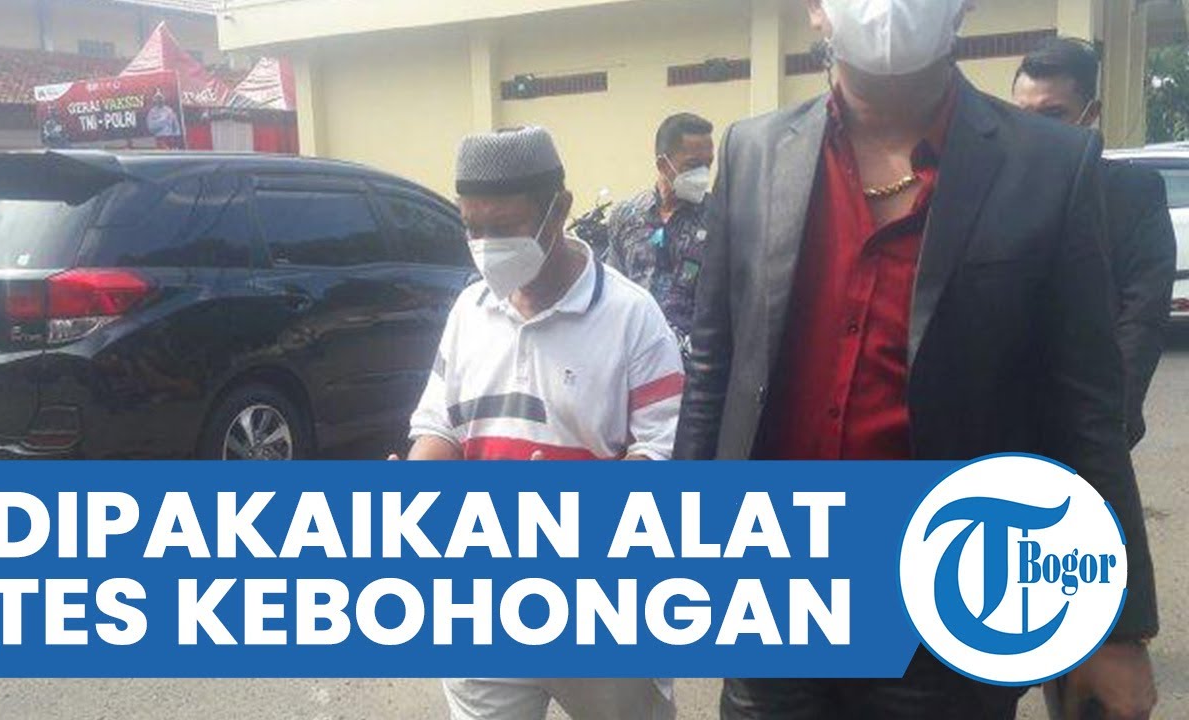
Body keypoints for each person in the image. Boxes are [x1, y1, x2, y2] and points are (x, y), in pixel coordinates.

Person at [674, 1, 1158, 718]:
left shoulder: (1049, 163)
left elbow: (1085, 404)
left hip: (953, 586)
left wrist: (1117, 624)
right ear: (816, 11)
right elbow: (717, 364)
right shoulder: (754, 152)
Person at [403, 126, 681, 720]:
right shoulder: (468, 312)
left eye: (504, 227)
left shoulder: (633, 318)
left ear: (560, 210)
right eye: (472, 228)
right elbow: (441, 426)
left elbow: (663, 456)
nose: (485, 246)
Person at [1013, 37, 1176, 449]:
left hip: (1090, 417)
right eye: (1022, 115)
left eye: (1053, 114)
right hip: (999, 417)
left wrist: (1111, 416)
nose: (1035, 131)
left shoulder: (1133, 194)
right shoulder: (991, 191)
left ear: (1091, 114)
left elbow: (1142, 315)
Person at [607, 113, 715, 351]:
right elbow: (612, 292)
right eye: (692, 165)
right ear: (663, 165)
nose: (703, 175)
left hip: (696, 359)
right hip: (636, 354)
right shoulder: (627, 217)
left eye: (708, 164)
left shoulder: (718, 217)